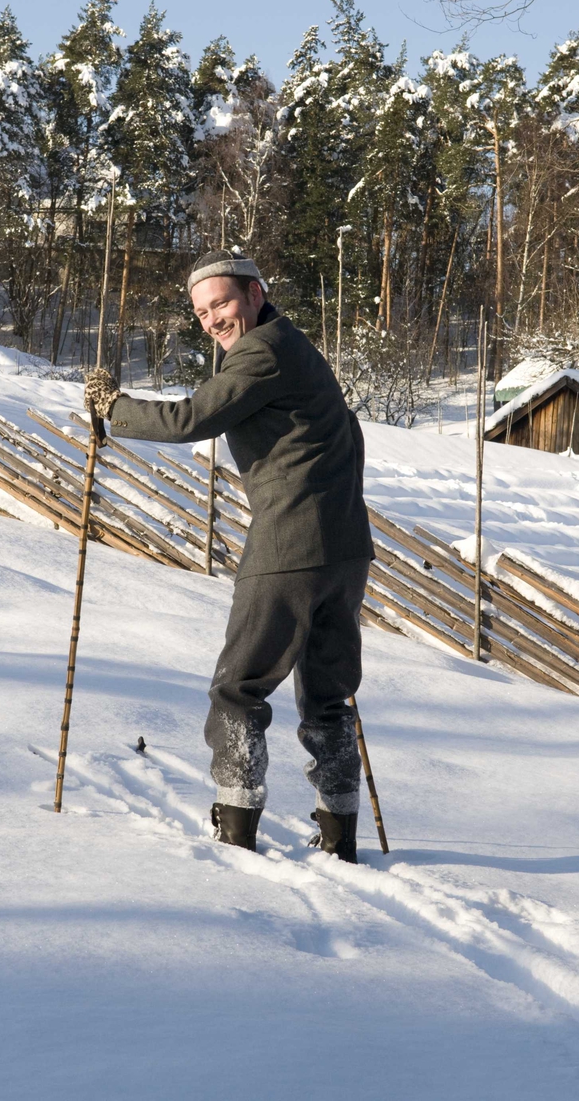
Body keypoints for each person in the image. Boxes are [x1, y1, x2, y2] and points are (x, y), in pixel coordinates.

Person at [84, 249, 374, 861]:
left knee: (239, 688)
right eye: (202, 311)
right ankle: (340, 831)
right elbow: (350, 433)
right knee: (327, 695)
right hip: (346, 551)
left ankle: (237, 825)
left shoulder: (263, 350)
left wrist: (114, 407)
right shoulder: (298, 350)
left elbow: (195, 417)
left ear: (256, 293)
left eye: (222, 303)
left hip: (290, 546)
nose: (212, 318)